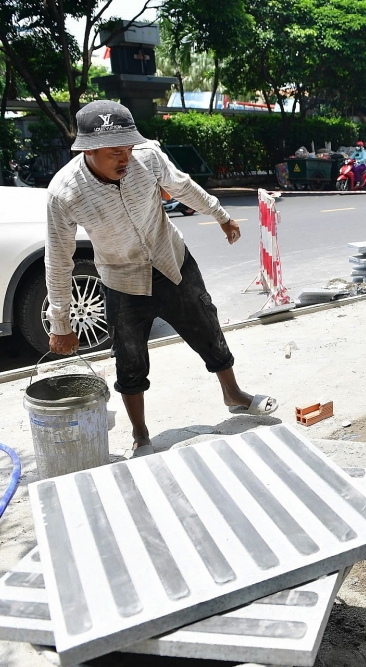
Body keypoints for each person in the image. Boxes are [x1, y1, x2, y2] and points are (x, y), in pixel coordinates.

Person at [45, 101, 276, 458]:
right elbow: (59, 258)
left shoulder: (148, 157)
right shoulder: (64, 193)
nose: (125, 158)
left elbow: (182, 187)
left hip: (172, 263)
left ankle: (233, 394)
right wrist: (60, 321)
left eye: (127, 148)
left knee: (207, 326)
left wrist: (220, 214)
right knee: (129, 357)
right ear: (88, 150)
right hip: (122, 280)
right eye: (114, 152)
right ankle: (140, 433)